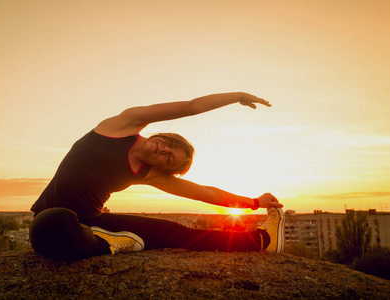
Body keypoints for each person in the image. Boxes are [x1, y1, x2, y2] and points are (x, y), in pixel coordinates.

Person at [29, 92, 285, 261]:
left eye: (169, 158)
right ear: (164, 135)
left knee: (176, 231)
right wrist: (237, 96)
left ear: (165, 169)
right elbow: (191, 106)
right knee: (57, 221)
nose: (164, 149)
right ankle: (109, 241)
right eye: (169, 143)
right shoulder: (123, 125)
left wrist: (254, 202)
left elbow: (206, 193)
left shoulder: (149, 174)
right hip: (50, 220)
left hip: (89, 223)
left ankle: (263, 239)